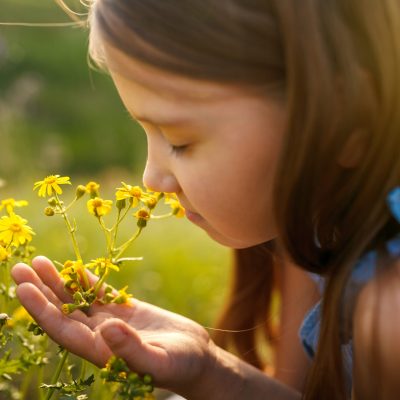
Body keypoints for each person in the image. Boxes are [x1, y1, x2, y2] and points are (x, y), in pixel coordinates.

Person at [10, 1, 400, 399]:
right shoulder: (316, 231)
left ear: (347, 116)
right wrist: (207, 371)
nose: (151, 179)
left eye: (180, 140)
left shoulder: (392, 311)